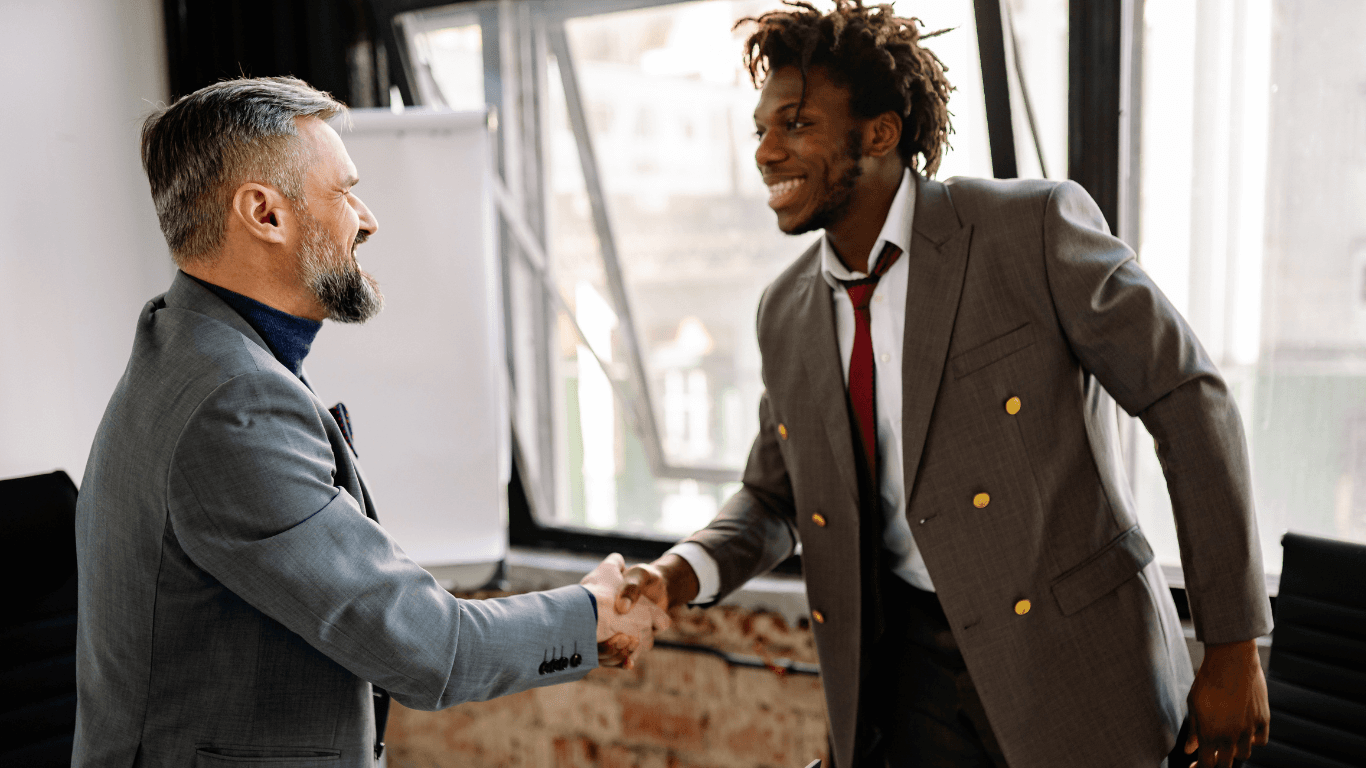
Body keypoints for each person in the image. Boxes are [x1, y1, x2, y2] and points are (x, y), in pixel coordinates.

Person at [615, 3, 1272, 767]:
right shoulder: (784, 313)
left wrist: (1231, 645)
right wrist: (673, 576)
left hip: (1070, 666)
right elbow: (774, 499)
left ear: (881, 134)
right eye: (760, 129)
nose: (766, 151)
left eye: (795, 125)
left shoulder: (1030, 230)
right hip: (904, 680)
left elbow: (1186, 397)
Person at [73, 77, 664, 768]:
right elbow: (431, 652)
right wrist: (591, 615)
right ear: (265, 214)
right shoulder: (231, 407)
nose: (367, 217)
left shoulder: (181, 340)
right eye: (344, 191)